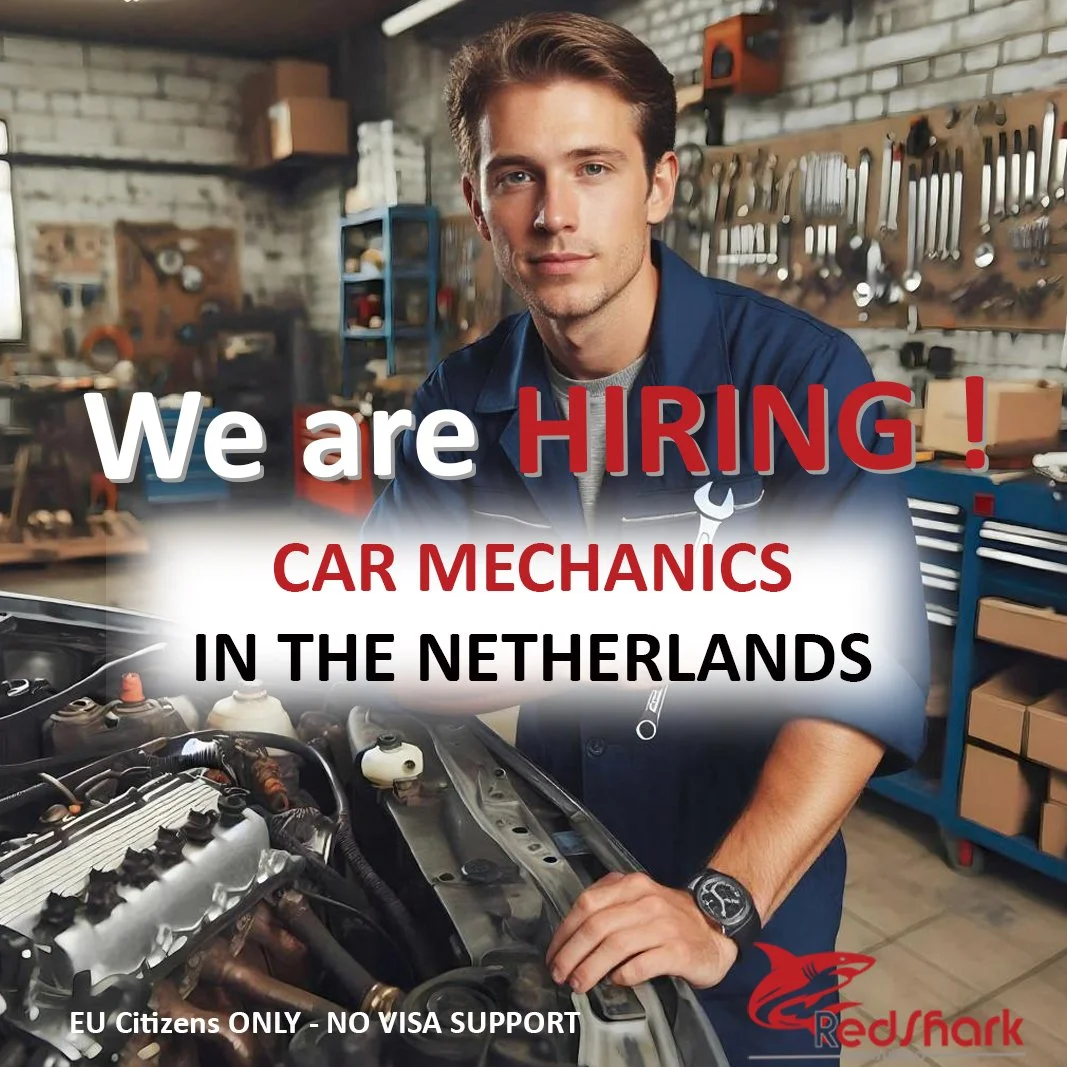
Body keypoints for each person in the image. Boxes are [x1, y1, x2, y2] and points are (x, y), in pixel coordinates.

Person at [363, 12, 929, 1064]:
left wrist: (717, 906)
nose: (555, 214)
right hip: (546, 864)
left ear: (658, 185)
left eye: (593, 167)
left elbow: (861, 679)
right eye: (517, 176)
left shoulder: (799, 380)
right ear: (479, 206)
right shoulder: (456, 398)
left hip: (748, 892)